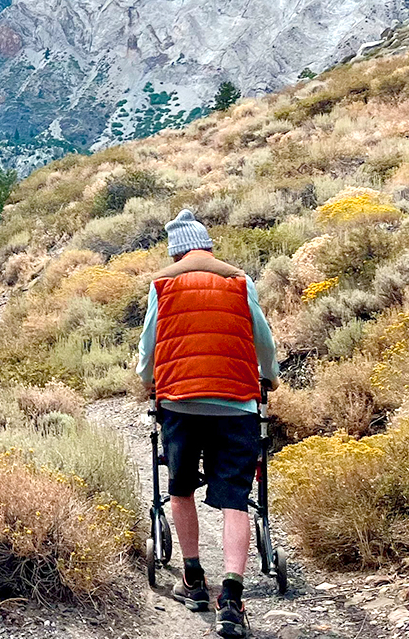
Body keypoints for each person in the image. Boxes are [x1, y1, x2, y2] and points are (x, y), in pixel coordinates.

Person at [136, 210, 279, 639]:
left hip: (180, 402)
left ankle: (194, 579)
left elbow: (149, 345)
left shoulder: (162, 284)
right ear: (208, 247)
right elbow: (263, 339)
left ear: (176, 252)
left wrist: (150, 382)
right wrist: (268, 375)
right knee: (235, 498)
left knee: (179, 488)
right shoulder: (240, 281)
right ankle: (232, 598)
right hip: (237, 403)